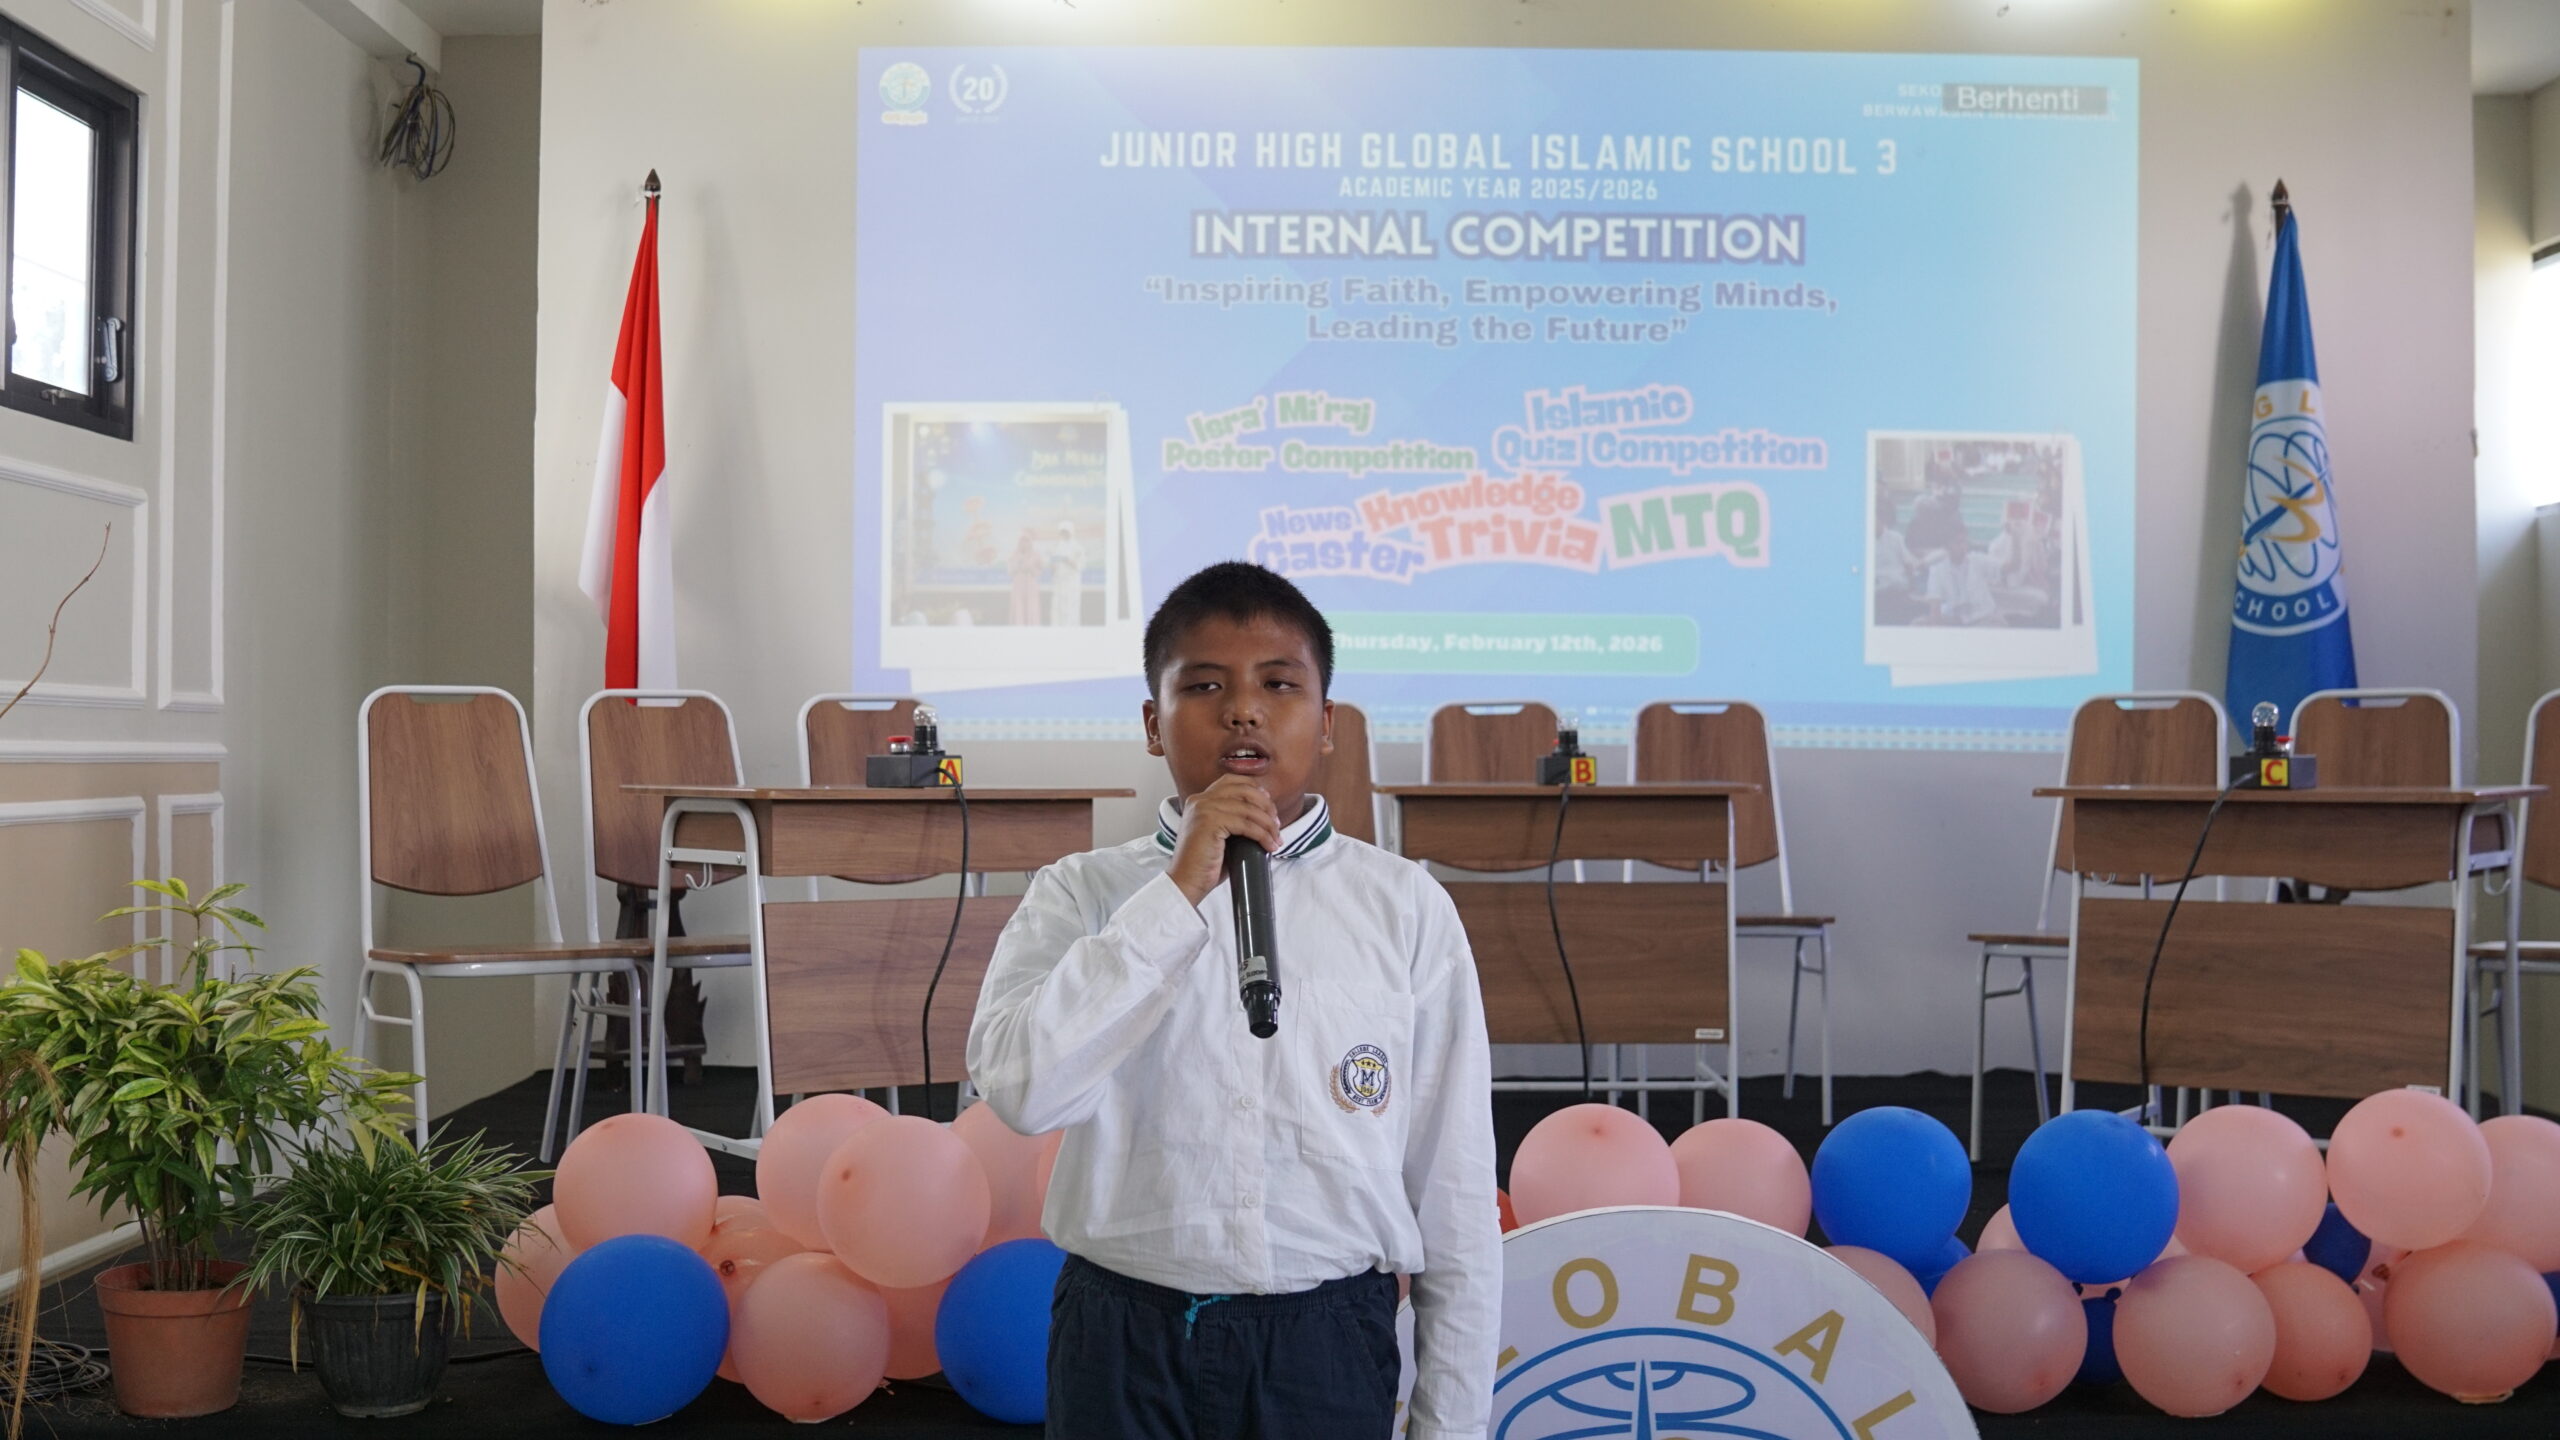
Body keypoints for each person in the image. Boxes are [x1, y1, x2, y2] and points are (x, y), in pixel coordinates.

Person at [967, 562, 1498, 1440]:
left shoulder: (1405, 906)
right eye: (1205, 685)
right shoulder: (1079, 892)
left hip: (1325, 1342)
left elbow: (1455, 1187)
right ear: (1153, 723)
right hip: (1122, 1336)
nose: (1244, 711)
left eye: (1279, 685)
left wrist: (1451, 1424)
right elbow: (1024, 1090)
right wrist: (1177, 893)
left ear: (1326, 723)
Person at [1046, 521, 1087, 627]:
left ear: (1071, 532)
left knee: (1070, 607)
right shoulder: (1057, 546)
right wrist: (1052, 564)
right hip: (1059, 582)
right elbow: (1052, 565)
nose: (1064, 534)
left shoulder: (1078, 547)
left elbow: (1081, 566)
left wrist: (1068, 560)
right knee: (1057, 607)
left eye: (1066, 531)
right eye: (1062, 532)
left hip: (1071, 582)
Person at [1008, 528, 1043, 625]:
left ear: (1030, 542)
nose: (1024, 543)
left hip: (1031, 585)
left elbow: (1039, 572)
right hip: (1018, 585)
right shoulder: (1014, 554)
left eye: (1027, 541)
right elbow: (1010, 571)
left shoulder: (1036, 555)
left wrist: (1030, 568)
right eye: (1022, 541)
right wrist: (1018, 565)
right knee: (1019, 607)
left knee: (1031, 607)